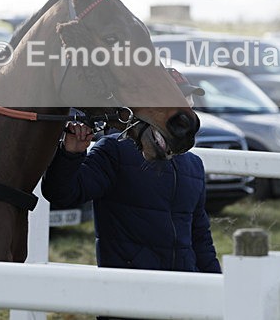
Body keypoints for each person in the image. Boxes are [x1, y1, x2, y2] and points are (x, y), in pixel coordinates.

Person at [42, 69, 220, 319]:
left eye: (188, 100)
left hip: (183, 294)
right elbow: (62, 194)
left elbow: (200, 237)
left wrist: (218, 290)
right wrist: (71, 155)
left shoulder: (193, 165)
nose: (187, 106)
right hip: (126, 295)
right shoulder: (114, 151)